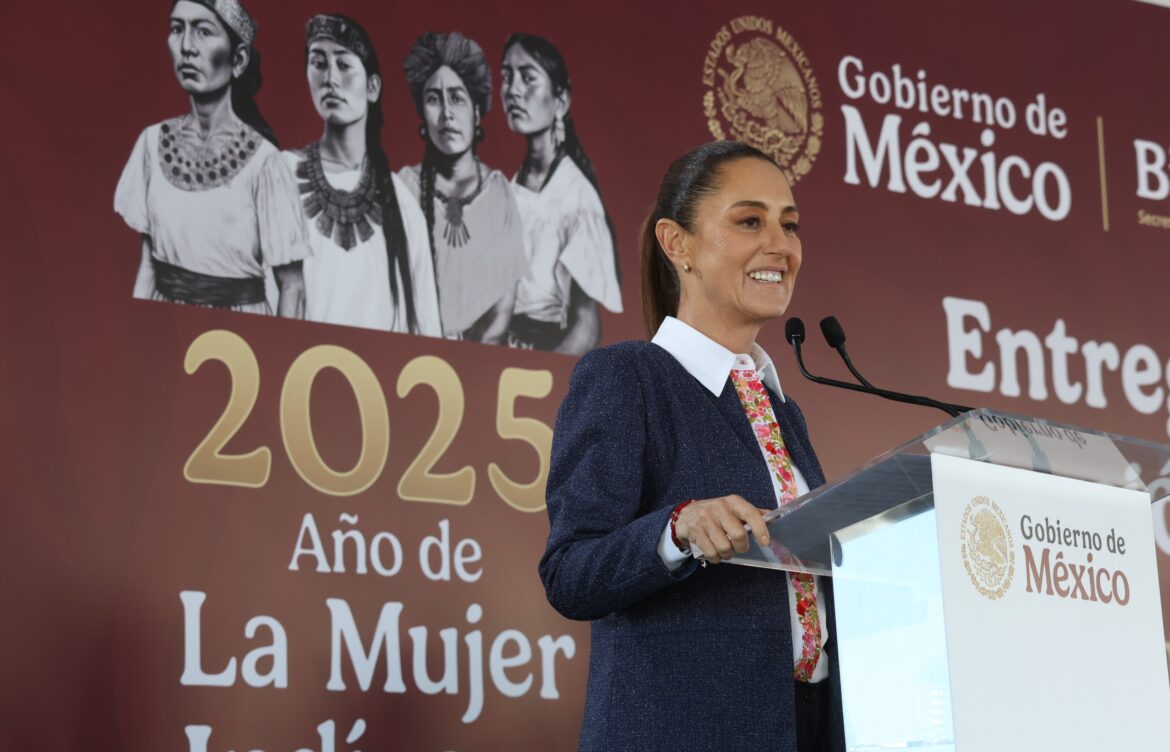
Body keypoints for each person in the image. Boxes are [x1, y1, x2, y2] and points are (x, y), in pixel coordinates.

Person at [539, 141, 845, 751]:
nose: (779, 245)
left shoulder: (783, 411)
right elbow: (570, 573)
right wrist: (677, 530)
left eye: (790, 225)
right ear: (677, 244)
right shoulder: (627, 377)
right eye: (749, 221)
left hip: (806, 726)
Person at [114, 0, 309, 316]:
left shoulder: (266, 163)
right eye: (177, 29)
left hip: (242, 340)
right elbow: (148, 266)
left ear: (239, 58)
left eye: (204, 31)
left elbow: (293, 288)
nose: (187, 47)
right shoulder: (151, 145)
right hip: (167, 330)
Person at [279, 14, 441, 334]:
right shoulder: (281, 175)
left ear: (372, 87)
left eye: (343, 65)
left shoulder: (403, 205)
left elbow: (427, 333)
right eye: (319, 63)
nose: (330, 79)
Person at [398, 32, 527, 344]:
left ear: (477, 112)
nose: (446, 114)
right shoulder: (403, 188)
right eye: (433, 99)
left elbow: (503, 306)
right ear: (421, 113)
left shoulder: (497, 193)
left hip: (479, 368)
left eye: (457, 98)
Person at [500, 34, 622, 354]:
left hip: (538, 366)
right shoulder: (511, 186)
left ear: (561, 101)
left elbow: (586, 325)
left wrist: (543, 383)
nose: (513, 90)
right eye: (506, 77)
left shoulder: (576, 198)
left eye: (528, 78)